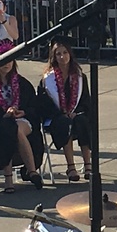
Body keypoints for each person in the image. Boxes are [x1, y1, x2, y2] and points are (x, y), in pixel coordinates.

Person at [0, 40, 44, 193]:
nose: (6, 63)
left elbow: (34, 107)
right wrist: (4, 114)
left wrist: (23, 112)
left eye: (10, 59)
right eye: (3, 59)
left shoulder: (22, 83)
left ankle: (10, 180)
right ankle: (31, 171)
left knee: (15, 129)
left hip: (24, 121)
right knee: (8, 130)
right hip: (0, 123)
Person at [36, 39, 91, 182]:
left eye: (65, 53)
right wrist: (61, 113)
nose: (62, 56)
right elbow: (43, 105)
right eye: (58, 54)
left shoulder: (80, 77)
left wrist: (76, 111)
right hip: (56, 116)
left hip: (76, 113)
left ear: (70, 54)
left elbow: (86, 100)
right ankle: (70, 167)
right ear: (53, 57)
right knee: (64, 123)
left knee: (83, 121)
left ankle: (88, 165)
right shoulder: (47, 80)